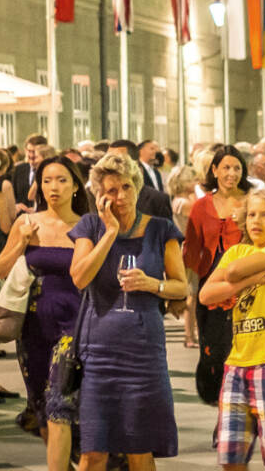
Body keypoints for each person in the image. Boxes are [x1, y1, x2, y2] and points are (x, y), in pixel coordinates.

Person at [68, 153, 187, 468]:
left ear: (137, 188)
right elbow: (79, 277)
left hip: (143, 355)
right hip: (98, 355)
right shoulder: (90, 226)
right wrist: (108, 234)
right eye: (109, 190)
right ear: (98, 195)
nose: (119, 196)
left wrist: (151, 284)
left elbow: (181, 286)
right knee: (93, 450)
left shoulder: (160, 230)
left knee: (140, 448)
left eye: (125, 187)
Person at [200, 189, 265, 471]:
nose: (255, 221)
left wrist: (234, 279)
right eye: (251, 215)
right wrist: (248, 282)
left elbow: (231, 272)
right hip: (236, 364)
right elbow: (206, 294)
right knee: (231, 457)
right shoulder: (237, 251)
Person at [0, 155, 86, 461]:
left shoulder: (88, 225)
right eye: (46, 181)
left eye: (61, 180)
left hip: (75, 324)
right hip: (34, 324)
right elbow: (0, 269)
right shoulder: (27, 222)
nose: (53, 187)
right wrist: (20, 243)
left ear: (75, 186)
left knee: (64, 401)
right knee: (42, 404)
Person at [185, 147, 251, 406]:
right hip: (210, 287)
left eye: (237, 168)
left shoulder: (251, 201)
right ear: (214, 171)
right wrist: (188, 289)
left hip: (245, 282)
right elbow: (191, 249)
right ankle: (222, 406)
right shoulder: (201, 207)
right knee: (214, 350)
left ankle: (241, 407)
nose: (231, 173)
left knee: (241, 349)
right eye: (226, 167)